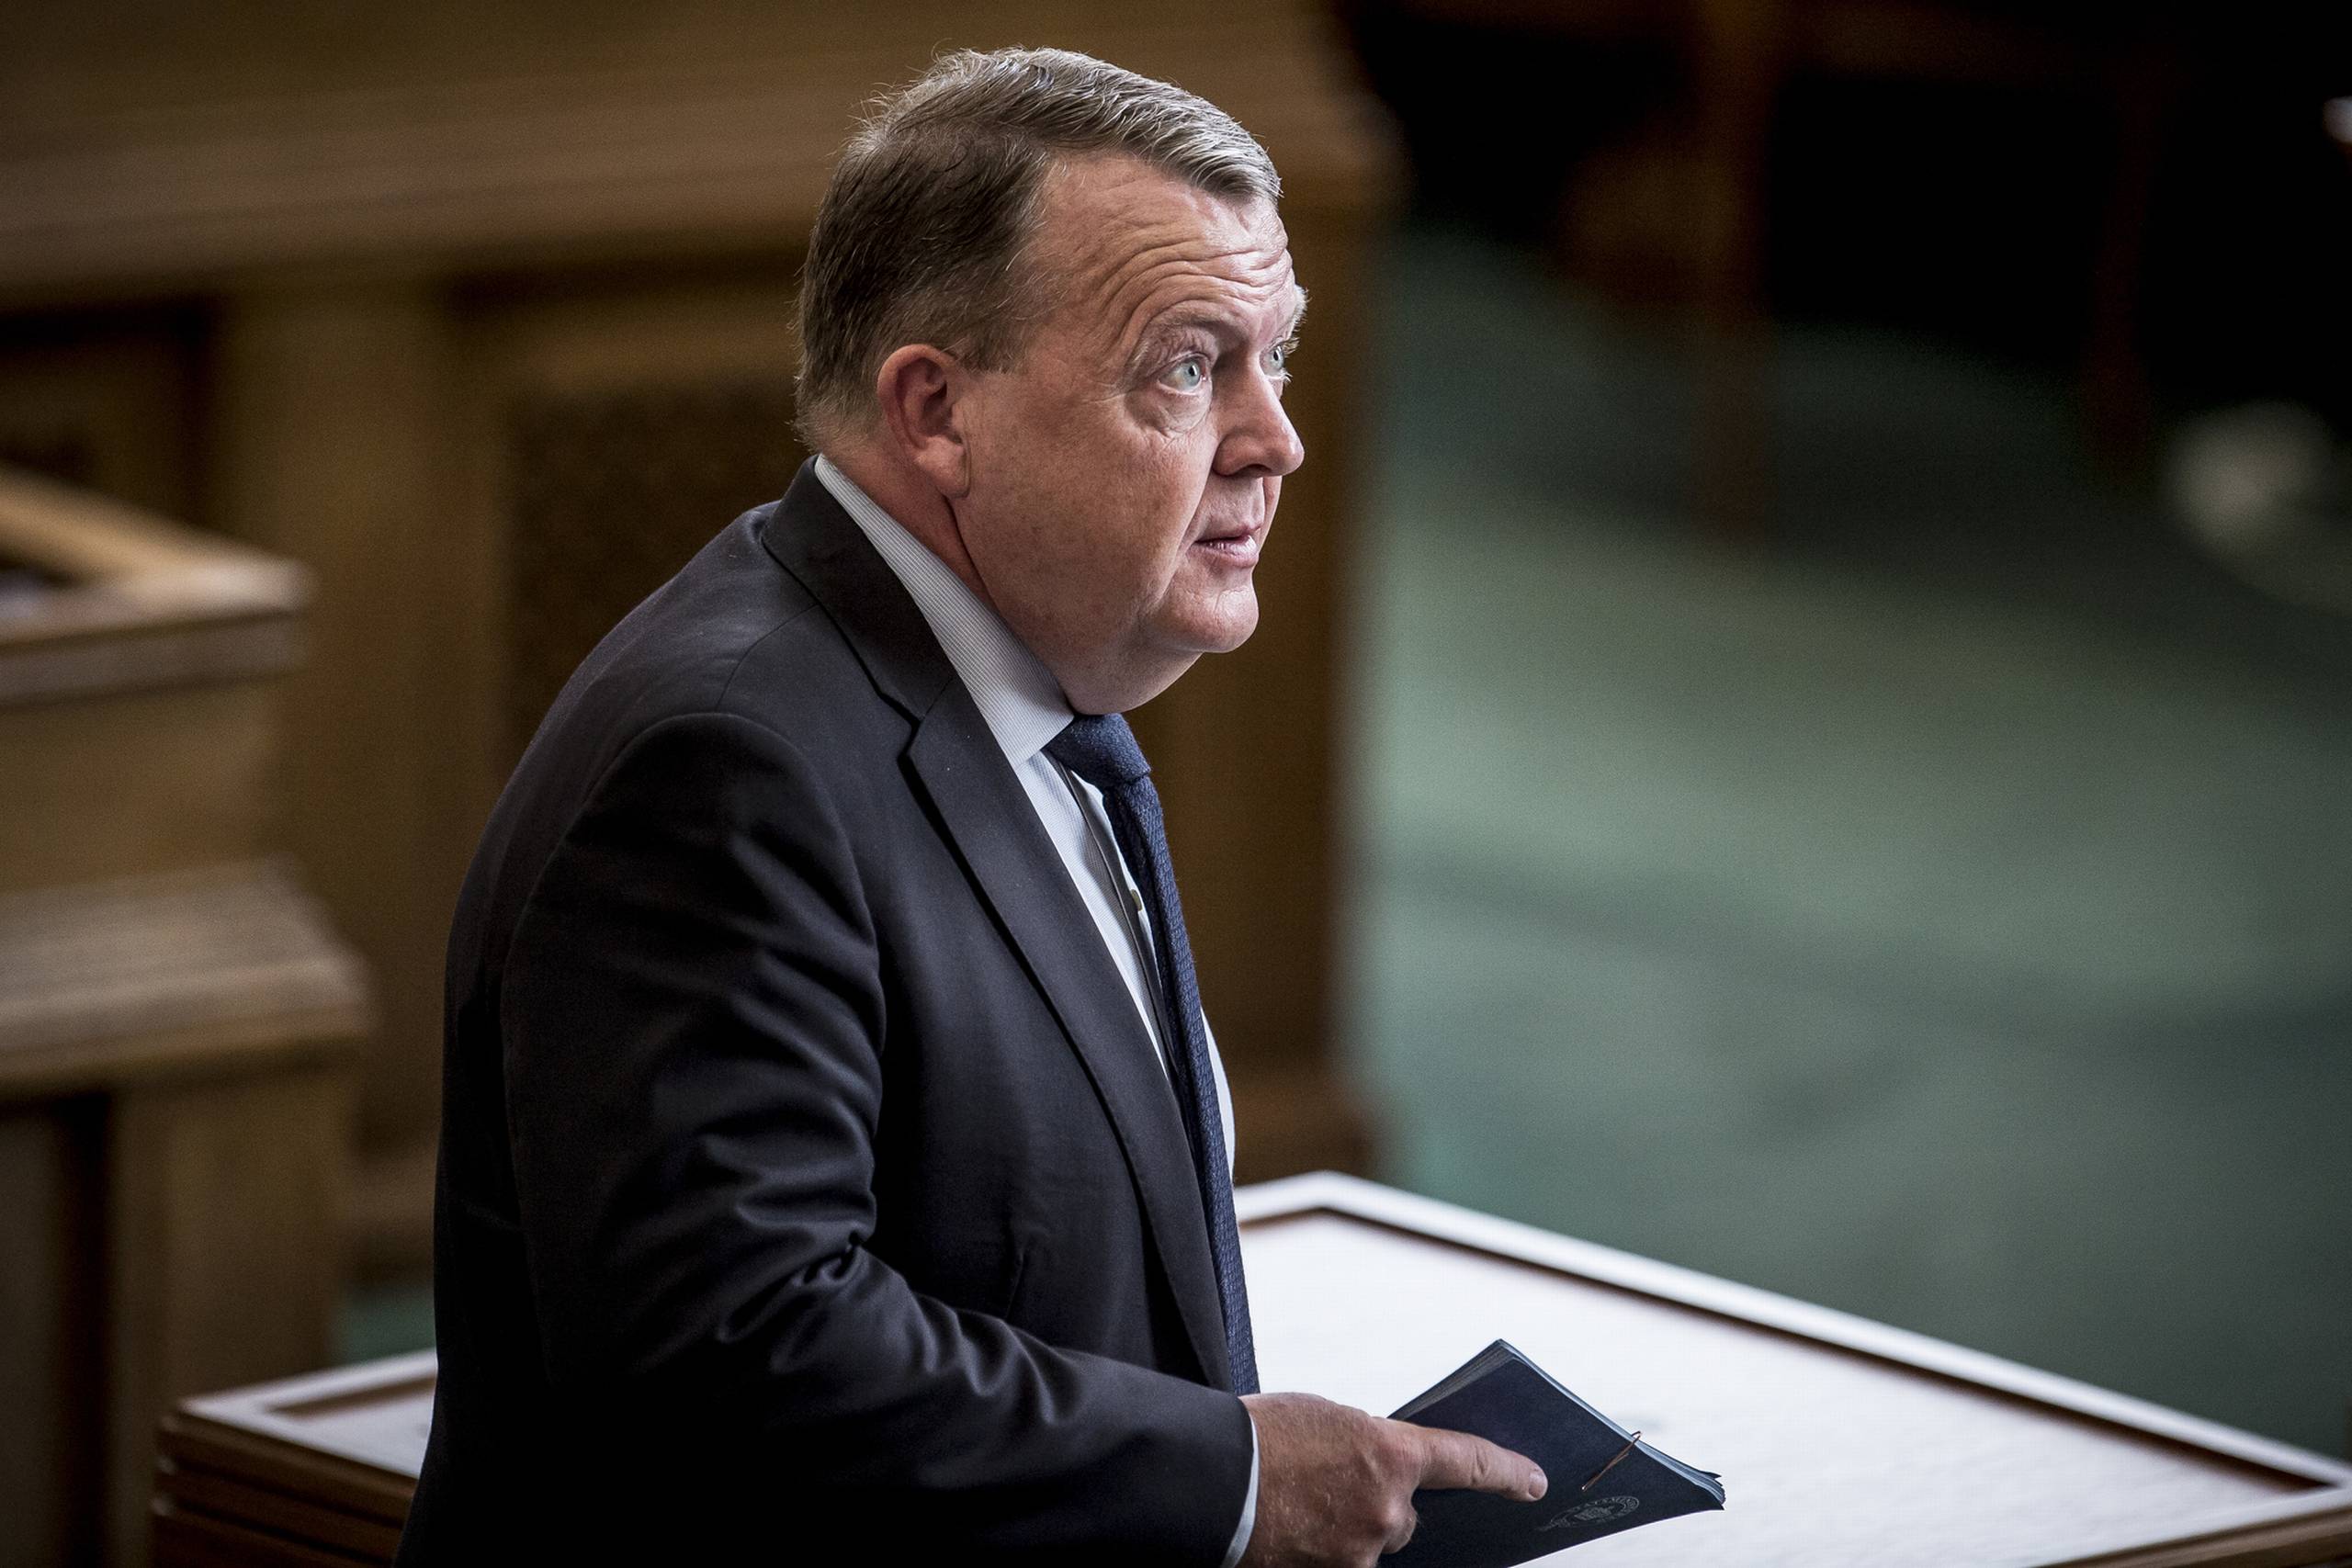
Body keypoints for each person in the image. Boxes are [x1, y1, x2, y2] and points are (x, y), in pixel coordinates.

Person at [395, 46, 1544, 1566]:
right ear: (937, 412)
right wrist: (1237, 1485)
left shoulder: (1031, 697)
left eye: (1277, 358)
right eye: (1192, 365)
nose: (1276, 439)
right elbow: (736, 1356)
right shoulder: (724, 768)